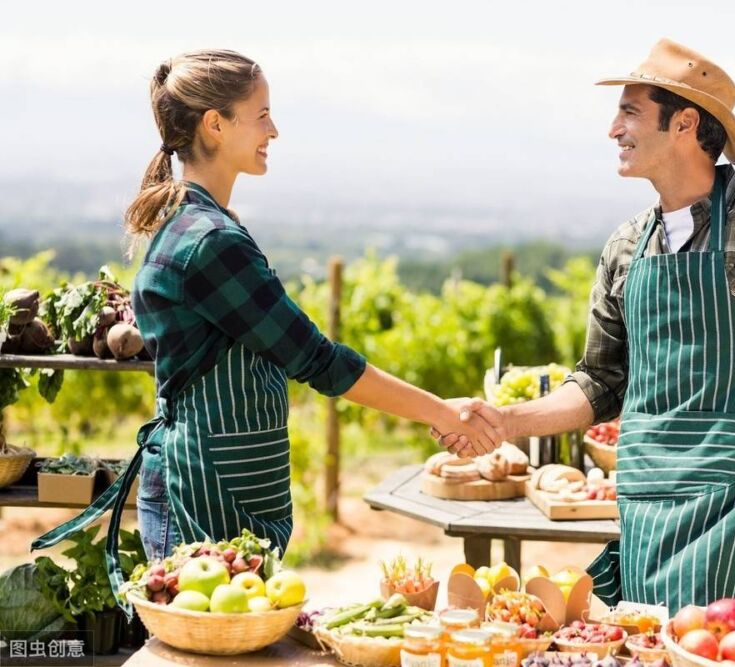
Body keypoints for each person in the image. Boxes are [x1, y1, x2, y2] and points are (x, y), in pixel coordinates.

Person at [33, 50, 497, 613]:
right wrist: (442, 414)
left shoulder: (199, 226)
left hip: (219, 488)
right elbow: (318, 360)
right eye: (262, 114)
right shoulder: (210, 242)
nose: (274, 130)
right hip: (205, 496)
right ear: (215, 124)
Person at [444, 39, 735, 613]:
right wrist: (507, 420)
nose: (613, 128)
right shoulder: (625, 246)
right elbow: (598, 382)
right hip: (649, 513)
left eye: (630, 111)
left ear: (685, 123)